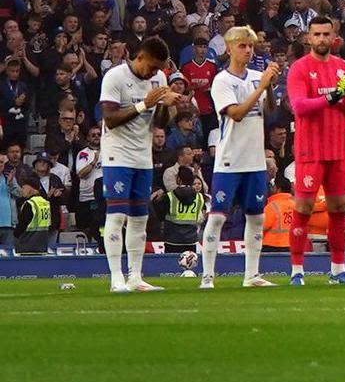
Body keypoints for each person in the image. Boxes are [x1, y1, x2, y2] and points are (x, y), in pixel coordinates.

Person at [99, 34, 193, 292]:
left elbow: (160, 122)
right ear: (139, 57)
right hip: (117, 153)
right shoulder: (115, 77)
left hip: (143, 154)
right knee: (117, 214)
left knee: (140, 217)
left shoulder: (159, 78)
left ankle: (136, 276)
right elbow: (109, 118)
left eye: (158, 69)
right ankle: (116, 276)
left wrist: (166, 105)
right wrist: (144, 104)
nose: (153, 72)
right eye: (151, 66)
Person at [286, 14, 345, 285]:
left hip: (339, 148)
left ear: (334, 37)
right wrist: (332, 95)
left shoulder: (344, 66)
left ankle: (338, 269)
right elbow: (299, 107)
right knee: (305, 206)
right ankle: (297, 271)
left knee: (339, 208)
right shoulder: (299, 68)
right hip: (311, 148)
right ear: (308, 38)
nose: (321, 39)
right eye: (317, 34)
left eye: (326, 34)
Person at [203, 25, 281, 288]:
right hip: (229, 159)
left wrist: (269, 88)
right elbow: (235, 113)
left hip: (255, 159)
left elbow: (269, 110)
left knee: (256, 217)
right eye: (242, 46)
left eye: (250, 46)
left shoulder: (256, 77)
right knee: (217, 217)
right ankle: (208, 276)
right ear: (229, 49)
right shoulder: (222, 80)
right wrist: (260, 88)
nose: (248, 51)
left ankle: (251, 275)